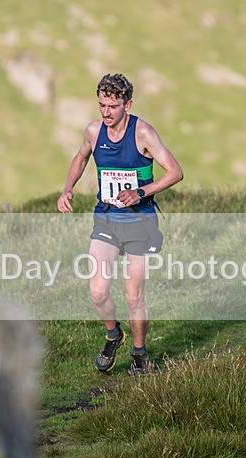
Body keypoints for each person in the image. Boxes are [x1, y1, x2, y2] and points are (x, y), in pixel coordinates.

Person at [57, 73, 183, 375]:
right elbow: (81, 157)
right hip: (106, 218)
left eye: (112, 106)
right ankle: (113, 334)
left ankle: (139, 353)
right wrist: (67, 188)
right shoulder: (93, 131)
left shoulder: (143, 133)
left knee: (133, 295)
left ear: (128, 104)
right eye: (101, 105)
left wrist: (140, 192)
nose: (105, 112)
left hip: (139, 221)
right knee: (98, 291)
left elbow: (175, 172)